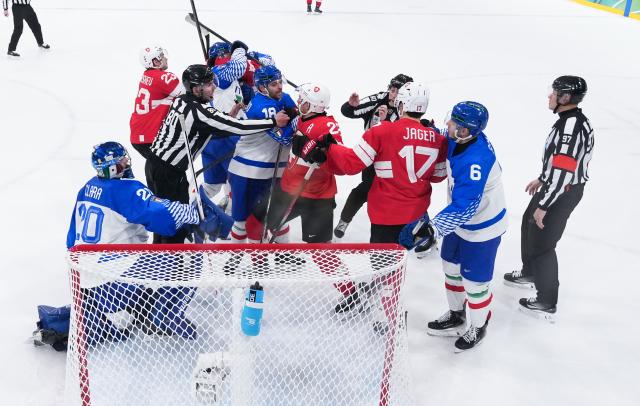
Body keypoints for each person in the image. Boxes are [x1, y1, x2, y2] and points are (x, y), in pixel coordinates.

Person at [292, 82, 447, 313]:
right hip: (416, 215)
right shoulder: (437, 139)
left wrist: (330, 147)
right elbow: (438, 176)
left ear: (403, 104)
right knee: (397, 263)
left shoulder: (383, 130)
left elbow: (351, 164)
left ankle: (386, 314)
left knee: (383, 265)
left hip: (387, 212)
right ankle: (386, 303)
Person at [67, 141, 232, 342]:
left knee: (134, 255)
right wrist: (194, 214)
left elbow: (71, 240)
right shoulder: (125, 190)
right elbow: (159, 213)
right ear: (113, 167)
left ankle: (138, 307)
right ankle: (164, 315)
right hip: (114, 283)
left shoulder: (86, 188)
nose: (127, 163)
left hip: (83, 282)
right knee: (187, 253)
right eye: (123, 161)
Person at [400, 101, 507, 352]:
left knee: (474, 282)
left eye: (456, 126)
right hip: (460, 226)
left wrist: (431, 228)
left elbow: (465, 206)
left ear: (468, 132)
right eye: (452, 122)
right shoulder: (462, 139)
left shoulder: (475, 161)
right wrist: (431, 130)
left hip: (482, 229)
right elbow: (445, 136)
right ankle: (457, 315)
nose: (450, 127)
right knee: (450, 267)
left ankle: (478, 326)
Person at [147, 62, 290, 244]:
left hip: (155, 165)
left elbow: (214, 126)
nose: (214, 86)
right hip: (168, 173)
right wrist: (272, 121)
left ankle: (157, 261)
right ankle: (170, 268)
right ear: (196, 89)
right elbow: (237, 127)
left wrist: (231, 114)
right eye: (208, 84)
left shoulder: (183, 99)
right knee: (175, 223)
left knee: (162, 218)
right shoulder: (200, 111)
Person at [503, 75, 593, 321]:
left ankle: (546, 300)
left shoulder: (571, 126)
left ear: (565, 98)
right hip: (555, 186)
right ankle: (530, 272)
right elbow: (559, 164)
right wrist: (543, 179)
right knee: (527, 223)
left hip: (562, 192)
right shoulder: (569, 120)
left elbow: (565, 172)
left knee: (543, 243)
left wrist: (544, 204)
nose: (549, 96)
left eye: (553, 92)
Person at [333, 73, 414, 239]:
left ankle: (413, 231)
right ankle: (344, 220)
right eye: (392, 89)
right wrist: (351, 105)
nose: (394, 94)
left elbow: (408, 132)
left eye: (398, 91)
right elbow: (349, 111)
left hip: (396, 159)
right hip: (372, 155)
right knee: (365, 189)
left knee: (402, 194)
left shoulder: (408, 109)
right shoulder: (379, 99)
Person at [226, 64, 298, 245]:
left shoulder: (285, 98)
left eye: (280, 82)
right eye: (274, 84)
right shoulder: (261, 107)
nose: (280, 86)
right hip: (247, 172)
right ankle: (236, 259)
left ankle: (284, 255)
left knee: (277, 215)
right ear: (261, 87)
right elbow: (284, 139)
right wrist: (295, 124)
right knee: (242, 220)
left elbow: (298, 118)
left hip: (272, 170)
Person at [129, 46, 183, 186]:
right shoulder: (163, 77)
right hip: (150, 135)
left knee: (159, 168)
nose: (165, 57)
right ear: (155, 62)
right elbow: (190, 94)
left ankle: (156, 198)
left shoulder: (147, 75)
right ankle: (166, 203)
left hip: (139, 134)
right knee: (168, 172)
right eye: (161, 56)